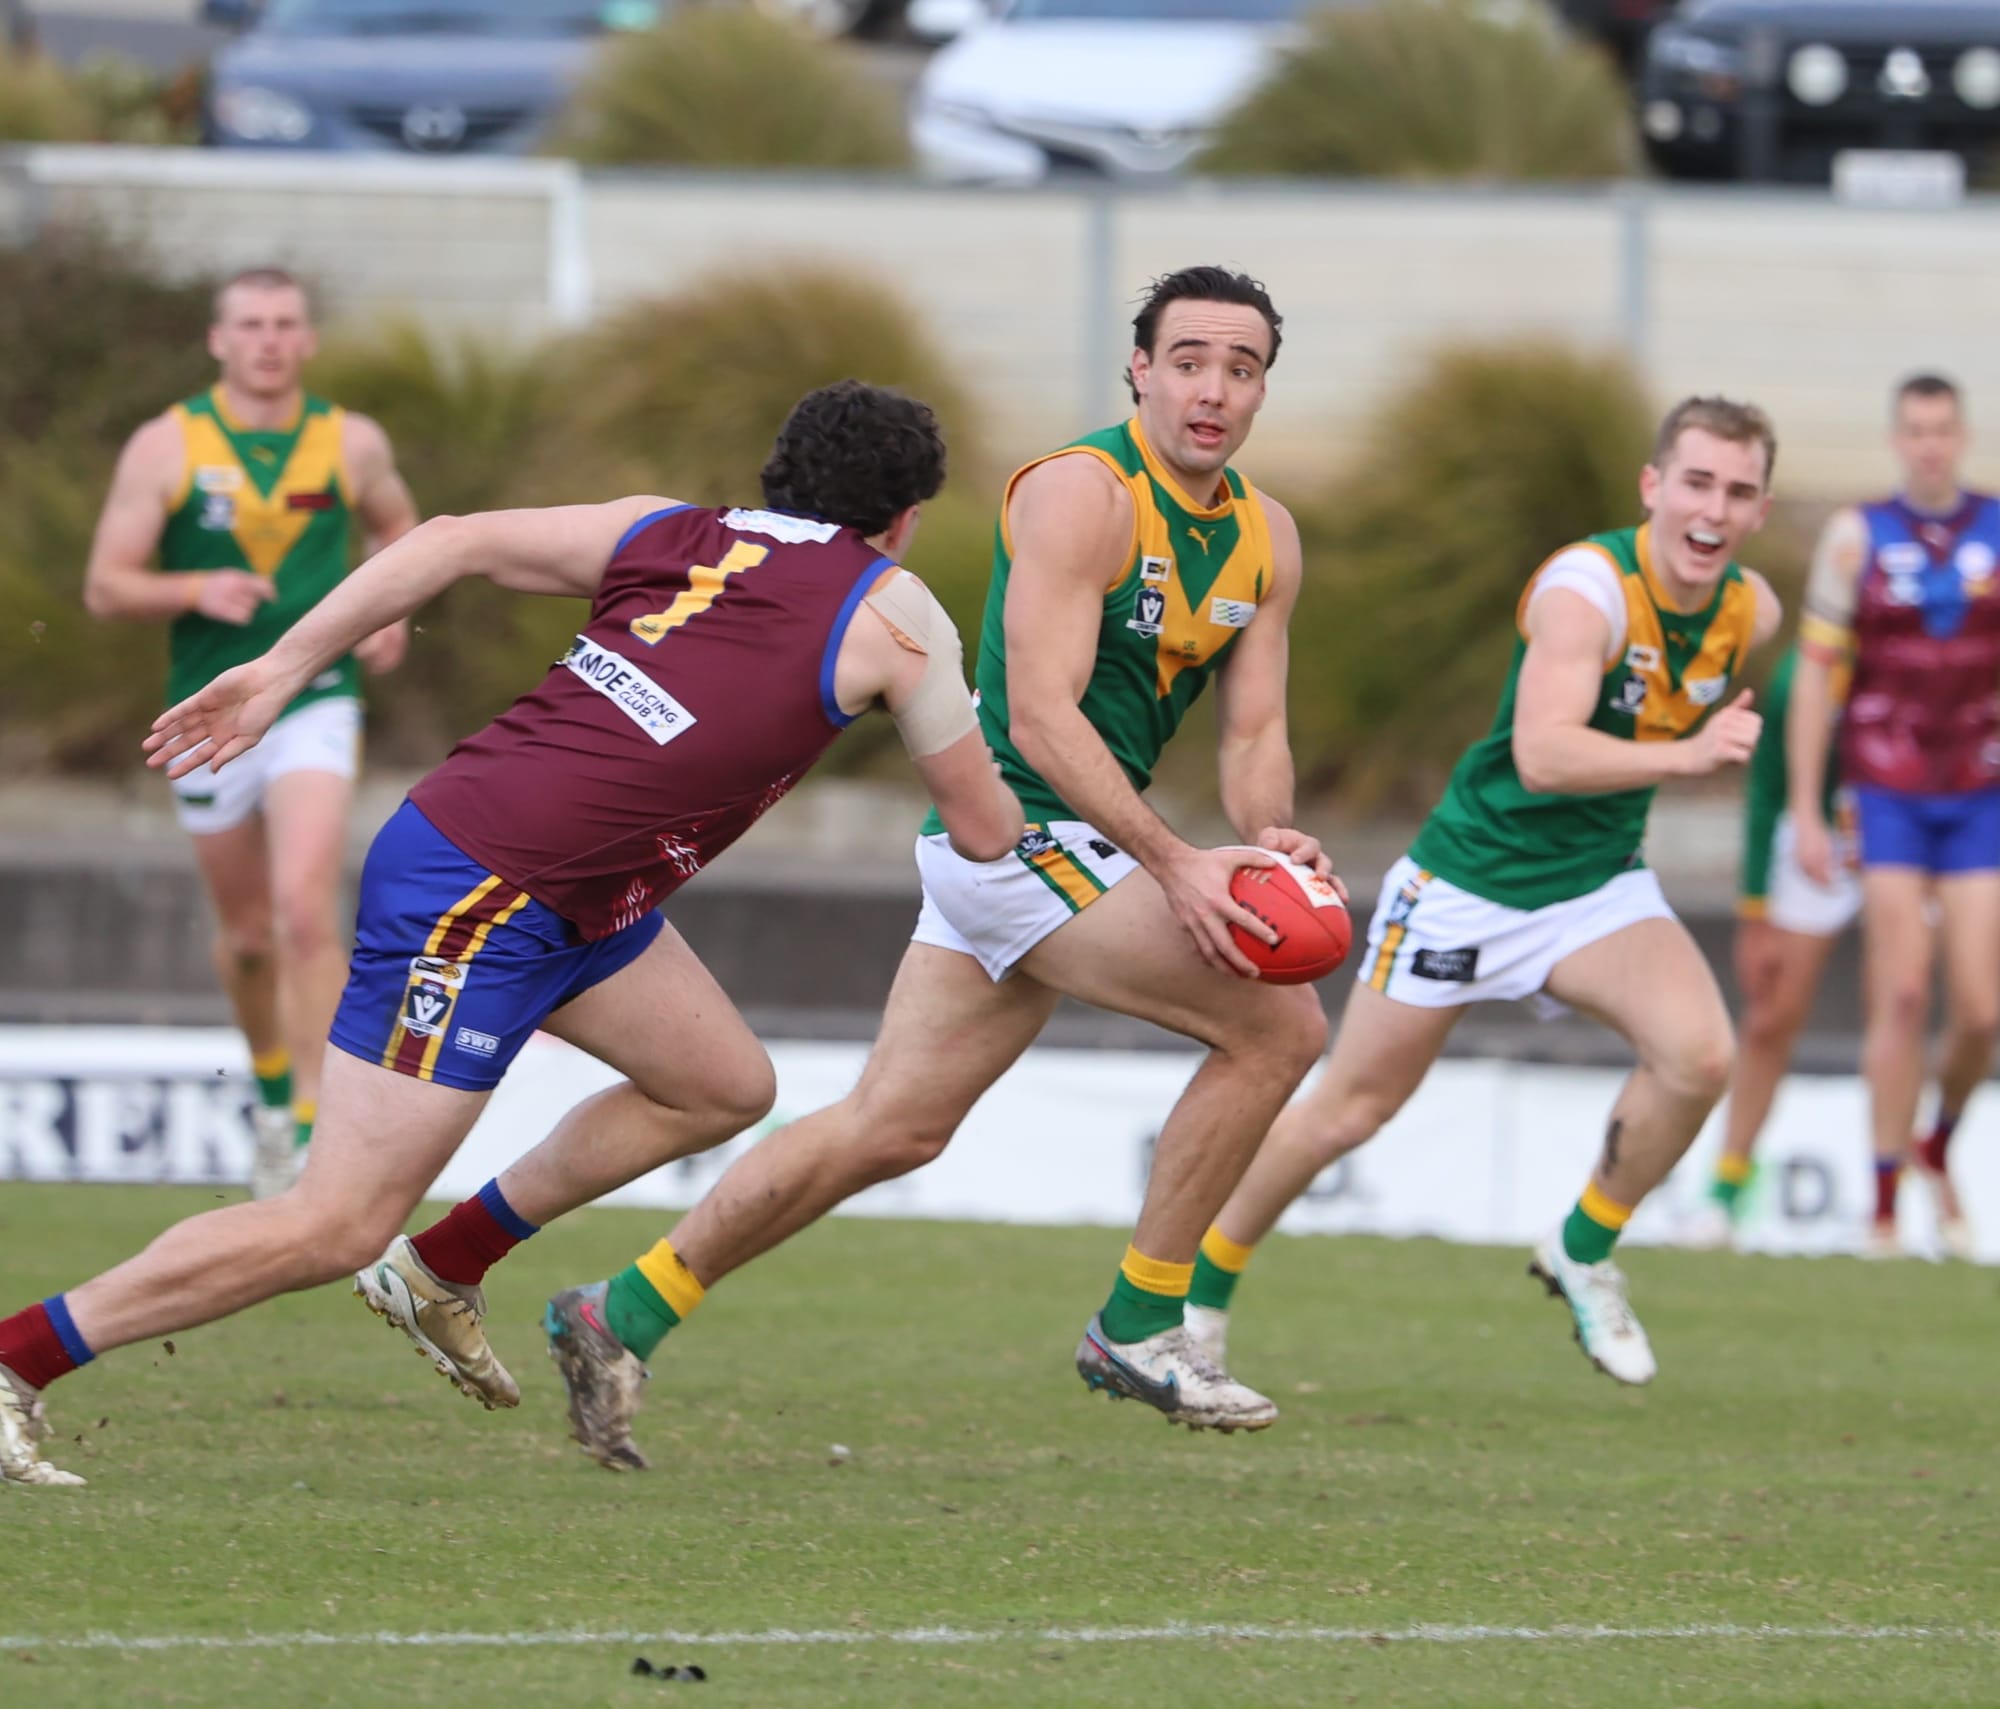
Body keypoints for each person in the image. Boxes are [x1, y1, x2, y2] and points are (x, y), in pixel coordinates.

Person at [373, 264, 1331, 1468]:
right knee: (1278, 1028)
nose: (1213, 388)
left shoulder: (1265, 538)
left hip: (1067, 850)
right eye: (1187, 359)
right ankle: (1138, 1320)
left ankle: (621, 1312)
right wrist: (1184, 867)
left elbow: (1251, 735)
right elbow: (1035, 716)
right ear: (1137, 368)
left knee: (891, 1126)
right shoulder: (1082, 495)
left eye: (1241, 368)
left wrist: (1269, 833)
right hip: (1025, 836)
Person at [0, 381, 1021, 1487]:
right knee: (331, 1221)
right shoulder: (893, 609)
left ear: (778, 473)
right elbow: (982, 831)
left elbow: (448, 541)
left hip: (563, 883)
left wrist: (285, 664)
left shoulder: (670, 526)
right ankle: (15, 1361)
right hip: (484, 889)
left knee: (717, 1084)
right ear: (905, 516)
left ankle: (443, 1266)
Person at [1182, 397, 1783, 1389]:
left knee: (1698, 1056)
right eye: (1694, 481)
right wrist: (1687, 756)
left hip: (1594, 889)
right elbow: (1542, 755)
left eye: (1737, 490)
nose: (1711, 508)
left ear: (1759, 509)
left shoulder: (1745, 609)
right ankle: (1194, 1294)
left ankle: (1581, 1248)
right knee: (1348, 1108)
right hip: (1468, 881)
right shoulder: (1584, 588)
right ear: (1650, 487)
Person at [83, 266, 419, 1200]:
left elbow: (404, 532)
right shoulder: (167, 446)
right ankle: (273, 1085)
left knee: (305, 908)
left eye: (285, 323)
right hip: (206, 712)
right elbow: (107, 584)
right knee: (245, 937)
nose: (269, 339)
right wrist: (195, 589)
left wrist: (391, 606)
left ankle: (316, 1124)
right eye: (251, 324)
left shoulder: (350, 441)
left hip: (315, 694)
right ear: (218, 340)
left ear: (307, 340)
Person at [1788, 374, 2000, 1260]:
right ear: (1896, 438)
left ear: (1963, 436)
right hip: (1887, 785)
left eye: (1942, 430)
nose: (1929, 445)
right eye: (1914, 430)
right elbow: (1814, 678)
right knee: (1904, 990)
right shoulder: (1854, 536)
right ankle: (1882, 1209)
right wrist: (1806, 804)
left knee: (1982, 1011)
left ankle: (1936, 1143)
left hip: (1980, 786)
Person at [1681, 643, 1861, 1248]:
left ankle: (1911, 1190)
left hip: (1924, 829)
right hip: (1812, 839)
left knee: (1915, 1002)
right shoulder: (1806, 669)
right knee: (1770, 1017)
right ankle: (1726, 1186)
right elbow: (1767, 786)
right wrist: (1754, 907)